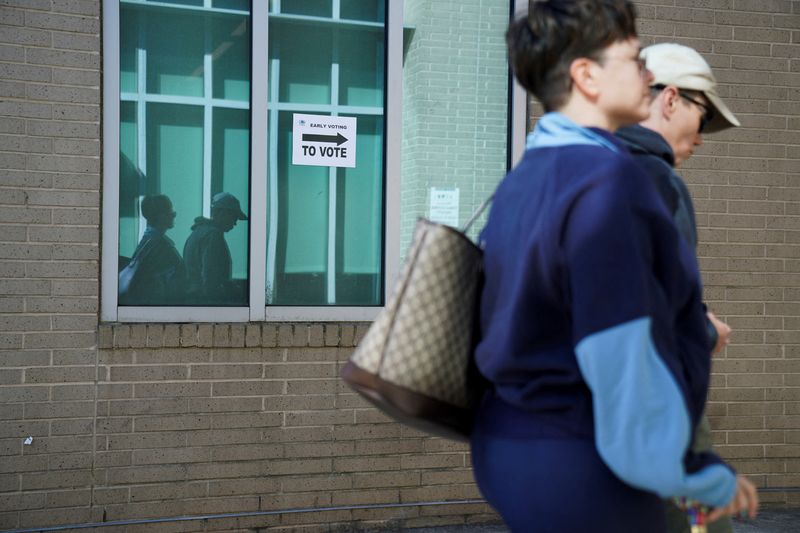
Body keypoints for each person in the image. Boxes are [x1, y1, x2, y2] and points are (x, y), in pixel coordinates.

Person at [470, 1, 758, 531]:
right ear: (588, 76)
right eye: (634, 60)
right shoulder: (608, 184)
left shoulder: (524, 179)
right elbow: (619, 358)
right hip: (588, 469)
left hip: (509, 451)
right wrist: (695, 479)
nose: (648, 75)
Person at [616, 43, 740, 533]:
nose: (702, 137)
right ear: (669, 100)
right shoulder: (655, 179)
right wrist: (706, 333)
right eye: (702, 114)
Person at [118, 194, 185, 305]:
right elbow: (174, 284)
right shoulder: (161, 246)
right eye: (171, 212)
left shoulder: (147, 242)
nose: (174, 215)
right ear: (160, 216)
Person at [183, 191, 248, 304]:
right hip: (207, 302)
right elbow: (210, 278)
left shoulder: (198, 232)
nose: (235, 223)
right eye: (234, 217)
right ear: (222, 213)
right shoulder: (213, 236)